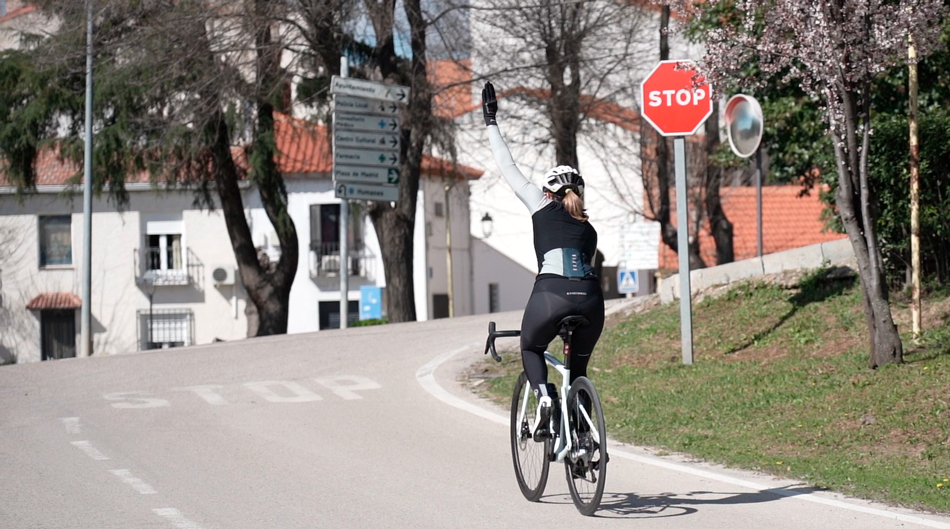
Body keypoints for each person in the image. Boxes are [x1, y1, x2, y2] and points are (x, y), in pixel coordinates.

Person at [481, 82, 605, 440]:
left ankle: (544, 396)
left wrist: (491, 120)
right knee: (578, 370)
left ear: (549, 191)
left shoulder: (540, 205)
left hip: (550, 294)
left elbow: (507, 165)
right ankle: (582, 438)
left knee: (532, 346)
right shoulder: (590, 229)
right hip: (592, 302)